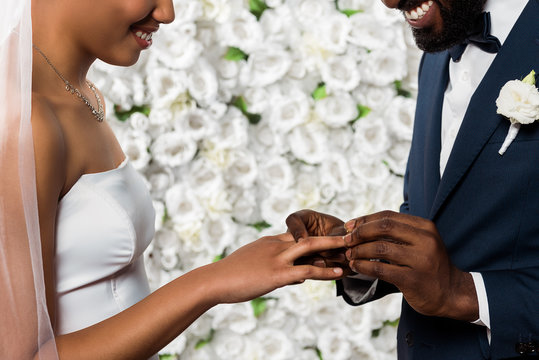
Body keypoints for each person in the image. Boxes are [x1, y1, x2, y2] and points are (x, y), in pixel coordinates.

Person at [0, 0, 347, 358]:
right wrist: (212, 282)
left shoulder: (75, 89)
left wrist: (280, 251)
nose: (167, 13)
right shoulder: (26, 120)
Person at [286, 0, 539, 359]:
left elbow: (453, 282)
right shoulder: (438, 49)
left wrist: (465, 293)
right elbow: (437, 215)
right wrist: (357, 251)